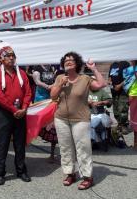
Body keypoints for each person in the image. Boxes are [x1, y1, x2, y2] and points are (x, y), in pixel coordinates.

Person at [51, 52, 106, 190]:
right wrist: (60, 84)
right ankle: (70, 173)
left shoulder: (85, 78)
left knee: (83, 147)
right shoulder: (59, 77)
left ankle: (87, 176)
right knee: (65, 147)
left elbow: (101, 84)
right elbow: (53, 96)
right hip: (61, 119)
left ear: (77, 64)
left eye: (71, 60)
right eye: (66, 60)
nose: (68, 61)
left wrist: (93, 68)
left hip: (80, 119)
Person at [0, 43, 32, 185]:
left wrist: (24, 107)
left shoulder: (22, 74)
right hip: (5, 114)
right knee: (2, 144)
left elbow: (28, 92)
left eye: (13, 56)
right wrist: (15, 110)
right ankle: (0, 173)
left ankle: (21, 171)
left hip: (21, 112)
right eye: (8, 56)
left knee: (20, 144)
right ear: (1, 59)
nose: (11, 58)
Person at [33, 64, 58, 162]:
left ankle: (52, 154)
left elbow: (56, 80)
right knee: (38, 123)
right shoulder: (37, 69)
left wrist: (55, 86)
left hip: (51, 98)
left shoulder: (51, 68)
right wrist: (49, 86)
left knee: (52, 126)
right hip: (41, 99)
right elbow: (37, 82)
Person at [108, 61, 130, 134]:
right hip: (114, 91)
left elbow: (129, 77)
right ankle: (119, 124)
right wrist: (109, 81)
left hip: (123, 91)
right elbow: (110, 76)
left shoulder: (125, 64)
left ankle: (124, 125)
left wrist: (120, 85)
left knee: (123, 109)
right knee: (116, 110)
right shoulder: (113, 64)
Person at [88, 87, 112, 151]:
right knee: (89, 122)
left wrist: (101, 102)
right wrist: (88, 102)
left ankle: (102, 139)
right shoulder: (85, 91)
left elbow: (109, 101)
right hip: (88, 113)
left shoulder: (101, 91)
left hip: (100, 113)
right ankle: (93, 140)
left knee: (102, 121)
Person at [123, 60, 137, 149]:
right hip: (133, 95)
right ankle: (136, 144)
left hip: (133, 95)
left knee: (135, 120)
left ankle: (136, 144)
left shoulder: (129, 69)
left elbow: (125, 78)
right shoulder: (131, 69)